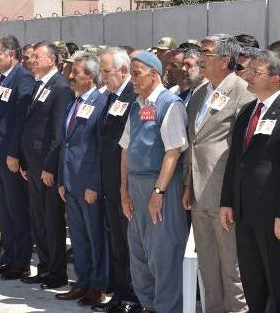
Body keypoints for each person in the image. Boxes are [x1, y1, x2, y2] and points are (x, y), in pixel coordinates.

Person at [219, 50, 280, 312]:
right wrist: (227, 201)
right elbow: (236, 160)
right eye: (248, 71)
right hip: (245, 212)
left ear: (275, 78)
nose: (248, 76)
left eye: (255, 72)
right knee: (252, 279)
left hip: (274, 217)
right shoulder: (248, 111)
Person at [184, 36, 253, 313]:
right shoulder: (200, 93)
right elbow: (194, 142)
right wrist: (187, 184)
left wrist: (232, 197)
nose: (201, 58)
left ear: (225, 61)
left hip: (224, 194)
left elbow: (241, 152)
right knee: (208, 266)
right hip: (199, 193)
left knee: (232, 267)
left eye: (207, 53)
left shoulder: (243, 91)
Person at [120, 52, 189, 313]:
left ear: (154, 73)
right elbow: (125, 149)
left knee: (164, 253)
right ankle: (148, 305)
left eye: (136, 73)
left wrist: (158, 192)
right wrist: (123, 190)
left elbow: (173, 151)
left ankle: (167, 308)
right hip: (135, 187)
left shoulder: (170, 103)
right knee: (139, 253)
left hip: (160, 187)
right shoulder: (137, 104)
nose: (132, 79)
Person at [55, 53, 108, 307]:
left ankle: (98, 286)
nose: (71, 76)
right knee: (78, 237)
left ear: (91, 76)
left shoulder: (101, 102)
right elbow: (66, 143)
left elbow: (99, 149)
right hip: (71, 181)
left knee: (95, 236)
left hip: (88, 184)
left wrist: (93, 184)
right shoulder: (73, 103)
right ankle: (82, 281)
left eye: (76, 72)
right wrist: (62, 179)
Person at [19, 41, 73, 289]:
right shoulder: (39, 85)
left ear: (52, 60)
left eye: (38, 57)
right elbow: (30, 127)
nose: (33, 61)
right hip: (33, 164)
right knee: (38, 218)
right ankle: (43, 266)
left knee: (52, 220)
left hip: (46, 167)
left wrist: (50, 167)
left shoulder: (60, 87)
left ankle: (57, 272)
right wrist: (24, 160)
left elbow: (57, 132)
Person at [92, 47, 140, 313]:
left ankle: (134, 295)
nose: (102, 76)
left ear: (123, 71)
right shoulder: (111, 98)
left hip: (127, 185)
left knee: (130, 243)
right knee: (117, 243)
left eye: (106, 71)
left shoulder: (133, 97)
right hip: (109, 183)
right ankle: (120, 292)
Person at [0, 35, 35, 279]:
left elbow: (21, 119)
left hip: (11, 157)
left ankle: (21, 261)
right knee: (4, 211)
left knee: (17, 210)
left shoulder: (23, 78)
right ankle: (9, 255)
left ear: (11, 55)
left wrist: (15, 152)